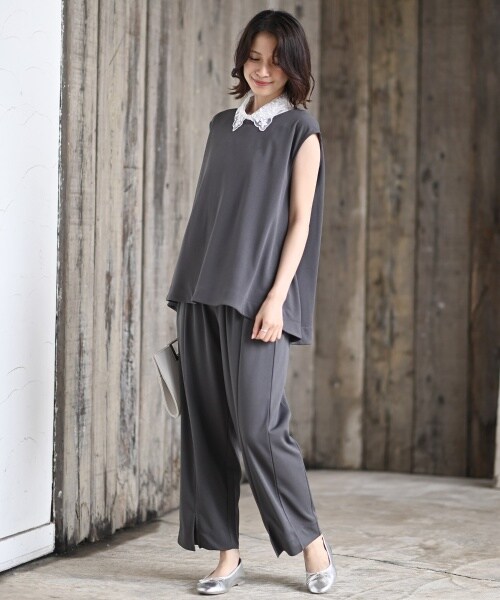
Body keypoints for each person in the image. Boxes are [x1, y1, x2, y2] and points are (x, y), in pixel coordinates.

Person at [165, 9, 336, 596]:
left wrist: (277, 298)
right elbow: (210, 214)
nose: (263, 70)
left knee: (260, 427)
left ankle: (312, 544)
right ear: (243, 60)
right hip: (201, 292)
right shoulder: (222, 127)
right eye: (254, 58)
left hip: (261, 299)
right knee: (207, 426)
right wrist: (188, 291)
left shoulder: (301, 131)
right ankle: (226, 555)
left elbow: (300, 221)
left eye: (276, 61)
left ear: (294, 67)